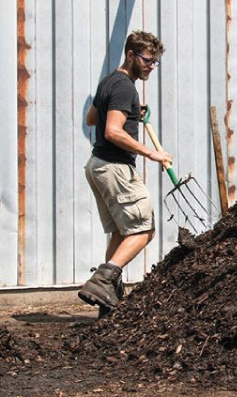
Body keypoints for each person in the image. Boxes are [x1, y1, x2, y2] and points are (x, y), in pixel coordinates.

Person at [80, 30, 172, 317]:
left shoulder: (110, 81)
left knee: (122, 232)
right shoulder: (124, 87)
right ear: (130, 55)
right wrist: (151, 153)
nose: (151, 67)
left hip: (98, 166)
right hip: (116, 167)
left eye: (155, 62)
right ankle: (103, 280)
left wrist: (131, 112)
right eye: (147, 60)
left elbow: (92, 118)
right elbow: (111, 130)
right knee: (144, 229)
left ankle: (107, 299)